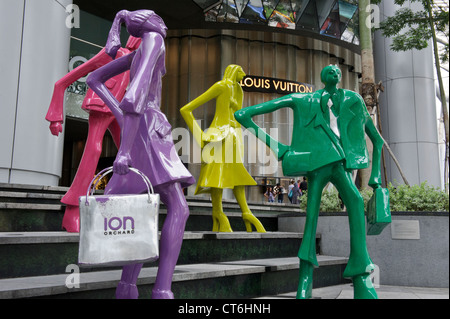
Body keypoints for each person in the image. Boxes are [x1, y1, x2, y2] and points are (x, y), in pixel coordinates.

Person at [235, 64, 385, 299]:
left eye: (337, 70)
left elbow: (376, 140)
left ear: (340, 77)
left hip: (339, 163)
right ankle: (305, 280)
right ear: (322, 77)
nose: (334, 72)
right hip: (317, 164)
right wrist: (279, 148)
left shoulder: (352, 101)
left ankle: (361, 277)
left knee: (355, 202)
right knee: (311, 218)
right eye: (329, 70)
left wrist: (375, 177)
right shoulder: (302, 99)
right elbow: (243, 114)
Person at [87, 9, 195, 299]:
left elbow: (94, 79)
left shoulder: (138, 52)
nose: (165, 21)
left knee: (140, 209)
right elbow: (134, 96)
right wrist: (122, 149)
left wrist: (122, 121)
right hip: (149, 129)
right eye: (159, 17)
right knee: (178, 208)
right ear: (152, 23)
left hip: (141, 130)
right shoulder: (155, 39)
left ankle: (127, 288)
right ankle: (162, 290)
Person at [46, 35, 141, 232]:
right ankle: (72, 210)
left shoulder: (137, 63)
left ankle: (119, 204)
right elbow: (62, 83)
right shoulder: (114, 53)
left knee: (132, 154)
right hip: (102, 106)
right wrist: (55, 114)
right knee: (94, 149)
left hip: (119, 111)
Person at [180, 64, 265, 233]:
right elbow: (186, 109)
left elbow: (239, 115)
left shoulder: (239, 90)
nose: (244, 74)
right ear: (234, 71)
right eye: (241, 71)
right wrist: (200, 136)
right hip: (218, 136)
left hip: (234, 136)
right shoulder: (221, 86)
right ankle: (219, 213)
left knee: (236, 174)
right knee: (216, 175)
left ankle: (244, 212)